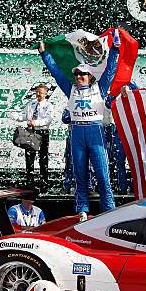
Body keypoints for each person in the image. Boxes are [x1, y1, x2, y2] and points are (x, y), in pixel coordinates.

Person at [39, 30, 120, 221]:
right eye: (77, 74)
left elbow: (110, 70)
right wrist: (44, 54)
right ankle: (82, 210)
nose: (79, 77)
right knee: (80, 175)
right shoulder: (71, 88)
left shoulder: (99, 88)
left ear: (90, 76)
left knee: (102, 173)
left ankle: (109, 210)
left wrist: (115, 49)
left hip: (94, 131)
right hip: (77, 133)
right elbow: (56, 72)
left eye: (83, 74)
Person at [11, 84, 55, 190]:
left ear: (45, 94)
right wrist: (16, 116)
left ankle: (44, 181)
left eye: (40, 92)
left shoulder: (48, 105)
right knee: (29, 157)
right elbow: (25, 116)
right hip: (31, 132)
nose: (38, 94)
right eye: (37, 92)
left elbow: (48, 119)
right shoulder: (31, 104)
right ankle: (29, 181)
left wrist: (36, 122)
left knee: (43, 157)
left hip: (42, 132)